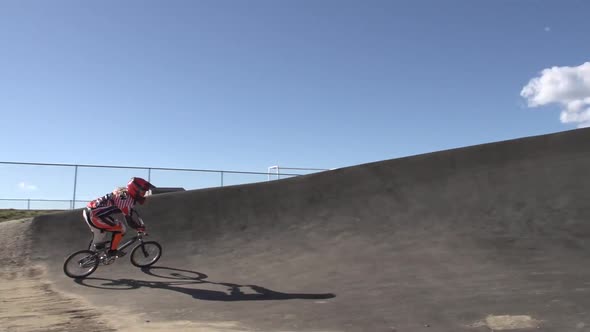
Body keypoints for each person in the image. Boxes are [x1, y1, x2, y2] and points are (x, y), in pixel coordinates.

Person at [83, 177, 156, 258]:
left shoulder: (123, 192)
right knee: (121, 229)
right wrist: (139, 227)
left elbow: (130, 211)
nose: (144, 194)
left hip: (91, 211)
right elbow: (129, 221)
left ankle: (92, 254)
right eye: (143, 191)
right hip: (94, 215)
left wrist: (137, 224)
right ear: (135, 190)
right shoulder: (126, 200)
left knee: (100, 235)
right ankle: (112, 251)